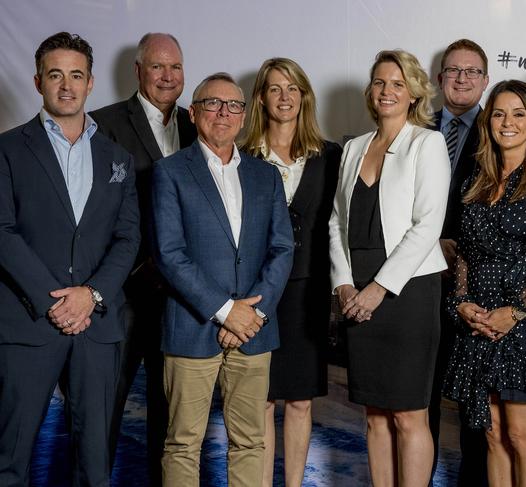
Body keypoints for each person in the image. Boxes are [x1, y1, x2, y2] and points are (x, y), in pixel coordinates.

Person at [0, 32, 140, 486]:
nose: (66, 85)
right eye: (56, 75)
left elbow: (127, 238)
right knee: (10, 460)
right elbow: (2, 232)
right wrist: (55, 301)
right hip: (28, 325)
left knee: (96, 466)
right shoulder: (7, 149)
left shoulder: (117, 156)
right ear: (39, 81)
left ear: (91, 82)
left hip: (97, 327)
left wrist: (91, 295)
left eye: (76, 75)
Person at [151, 72, 294, 487]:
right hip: (192, 328)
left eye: (233, 105)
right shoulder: (171, 173)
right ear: (193, 114)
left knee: (250, 441)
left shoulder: (265, 175)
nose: (223, 113)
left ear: (245, 116)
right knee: (182, 443)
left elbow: (282, 249)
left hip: (255, 331)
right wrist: (226, 311)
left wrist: (255, 313)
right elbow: (169, 254)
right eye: (212, 104)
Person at [443, 80, 526, 487]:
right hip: (480, 321)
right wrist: (462, 302)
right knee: (493, 434)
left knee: (521, 433)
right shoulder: (474, 182)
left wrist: (515, 312)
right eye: (499, 113)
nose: (508, 122)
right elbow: (465, 250)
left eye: (519, 114)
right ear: (488, 122)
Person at [329, 49, 450, 486]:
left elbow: (427, 226)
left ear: (414, 92)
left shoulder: (427, 142)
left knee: (408, 415)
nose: (387, 91)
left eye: (397, 83)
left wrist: (378, 289)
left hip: (408, 294)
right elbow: (335, 222)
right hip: (356, 293)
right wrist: (343, 285)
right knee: (375, 415)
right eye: (380, 82)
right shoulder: (353, 148)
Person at [89, 32, 196, 485]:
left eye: (175, 67)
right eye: (157, 66)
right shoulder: (104, 123)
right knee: (104, 406)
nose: (167, 76)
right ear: (138, 72)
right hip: (125, 292)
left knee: (169, 411)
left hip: (180, 295)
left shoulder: (198, 124)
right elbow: (93, 212)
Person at [241, 57, 341, 487]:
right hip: (257, 291)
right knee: (260, 400)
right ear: (261, 97)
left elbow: (339, 223)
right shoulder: (241, 156)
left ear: (304, 96)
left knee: (300, 402)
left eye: (292, 88)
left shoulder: (330, 155)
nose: (284, 97)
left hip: (307, 292)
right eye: (275, 89)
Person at [428, 38, 490, 487]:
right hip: (420, 280)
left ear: (485, 81)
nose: (462, 78)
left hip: (478, 285)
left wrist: (461, 246)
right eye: (454, 70)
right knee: (420, 393)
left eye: (472, 72)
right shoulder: (413, 127)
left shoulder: (504, 127)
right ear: (439, 79)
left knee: (475, 398)